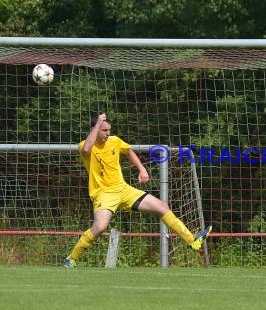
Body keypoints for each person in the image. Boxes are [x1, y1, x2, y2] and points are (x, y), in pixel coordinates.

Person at [64, 113, 212, 267]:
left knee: (162, 207)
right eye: (104, 130)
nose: (108, 133)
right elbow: (87, 149)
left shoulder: (114, 141)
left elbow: (128, 151)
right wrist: (97, 125)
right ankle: (71, 259)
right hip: (104, 194)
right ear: (94, 129)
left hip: (123, 190)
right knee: (100, 227)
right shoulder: (85, 145)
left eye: (109, 130)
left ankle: (192, 241)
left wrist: (142, 169)